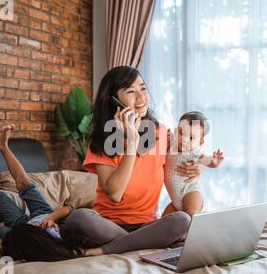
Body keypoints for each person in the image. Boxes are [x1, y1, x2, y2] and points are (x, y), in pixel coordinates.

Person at [65, 66, 204, 256]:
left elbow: (185, 157)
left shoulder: (160, 133)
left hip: (147, 224)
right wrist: (132, 142)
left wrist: (198, 167)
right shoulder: (101, 140)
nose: (141, 97)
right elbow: (114, 193)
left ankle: (107, 249)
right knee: (78, 219)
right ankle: (138, 243)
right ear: (113, 100)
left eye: (143, 88)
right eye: (131, 91)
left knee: (181, 220)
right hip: (107, 225)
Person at [0, 125, 95, 262]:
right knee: (23, 182)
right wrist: (50, 218)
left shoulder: (27, 242)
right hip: (44, 212)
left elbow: (7, 233)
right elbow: (68, 208)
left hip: (20, 224)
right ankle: (3, 146)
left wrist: (3, 228)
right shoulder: (62, 232)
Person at [162, 111, 224, 216]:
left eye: (191, 137)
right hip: (175, 202)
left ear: (200, 142)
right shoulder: (172, 142)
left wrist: (214, 162)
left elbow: (206, 159)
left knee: (191, 215)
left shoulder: (193, 152)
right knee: (162, 223)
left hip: (190, 193)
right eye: (182, 133)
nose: (184, 139)